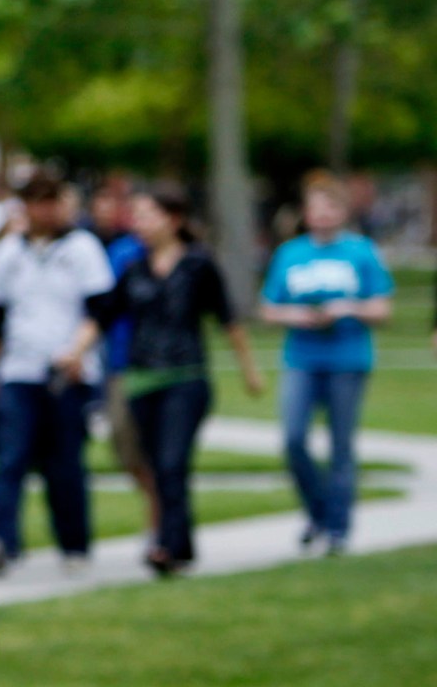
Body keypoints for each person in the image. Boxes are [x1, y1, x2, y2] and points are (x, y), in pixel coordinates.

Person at [85, 186, 263, 575]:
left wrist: (249, 370)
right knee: (153, 463)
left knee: (171, 462)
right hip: (140, 380)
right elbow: (105, 315)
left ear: (174, 219)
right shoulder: (134, 267)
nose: (139, 224)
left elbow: (228, 319)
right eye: (137, 216)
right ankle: (177, 543)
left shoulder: (199, 264)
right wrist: (73, 351)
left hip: (186, 377)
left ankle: (169, 545)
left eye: (147, 215)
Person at [0, 174, 113, 573]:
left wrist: (78, 352)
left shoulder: (82, 248)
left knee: (63, 462)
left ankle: (74, 544)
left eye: (52, 202)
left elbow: (100, 308)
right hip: (19, 367)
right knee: (11, 457)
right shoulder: (9, 252)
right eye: (36, 202)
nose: (45, 211)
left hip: (67, 369)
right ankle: (0, 538)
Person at [259, 172, 394, 555]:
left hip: (347, 359)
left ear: (342, 211)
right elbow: (268, 309)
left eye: (331, 207)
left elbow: (383, 308)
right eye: (316, 208)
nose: (323, 215)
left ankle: (337, 528)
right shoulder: (290, 253)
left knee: (340, 446)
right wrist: (296, 316)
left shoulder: (361, 252)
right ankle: (318, 512)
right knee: (293, 439)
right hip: (301, 358)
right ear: (306, 212)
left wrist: (347, 308)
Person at [85, 176, 158, 548]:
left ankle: (161, 523)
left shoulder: (183, 257)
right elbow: (105, 308)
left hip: (163, 366)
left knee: (161, 448)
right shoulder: (121, 254)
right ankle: (157, 501)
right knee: (123, 444)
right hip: (121, 362)